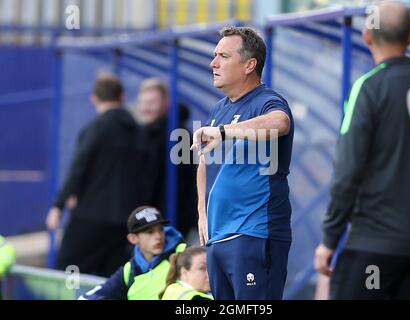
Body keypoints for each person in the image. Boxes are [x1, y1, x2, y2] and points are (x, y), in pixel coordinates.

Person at [314, 2, 410, 300]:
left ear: (366, 36)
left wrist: (329, 239)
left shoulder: (368, 87)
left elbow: (348, 169)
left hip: (375, 244)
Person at [191, 26, 294, 300]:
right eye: (215, 55)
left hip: (253, 234)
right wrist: (202, 211)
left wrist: (224, 132)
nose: (213, 63)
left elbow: (280, 122)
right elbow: (204, 162)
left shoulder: (267, 101)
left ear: (250, 65)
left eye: (223, 56)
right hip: (217, 238)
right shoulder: (219, 108)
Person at [46, 73, 151, 277]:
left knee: (69, 270)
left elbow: (79, 167)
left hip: (90, 215)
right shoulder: (139, 132)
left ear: (94, 99)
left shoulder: (96, 128)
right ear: (122, 98)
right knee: (110, 278)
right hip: (124, 220)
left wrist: (59, 205)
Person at [79, 206, 186, 300]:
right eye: (150, 232)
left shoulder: (183, 253)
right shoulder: (129, 271)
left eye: (160, 230)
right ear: (133, 239)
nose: (158, 236)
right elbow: (87, 297)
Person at [137, 78, 198, 239]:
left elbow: (182, 183)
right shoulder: (146, 133)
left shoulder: (178, 135)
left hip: (171, 219)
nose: (146, 108)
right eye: (143, 103)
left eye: (152, 102)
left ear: (167, 103)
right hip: (158, 217)